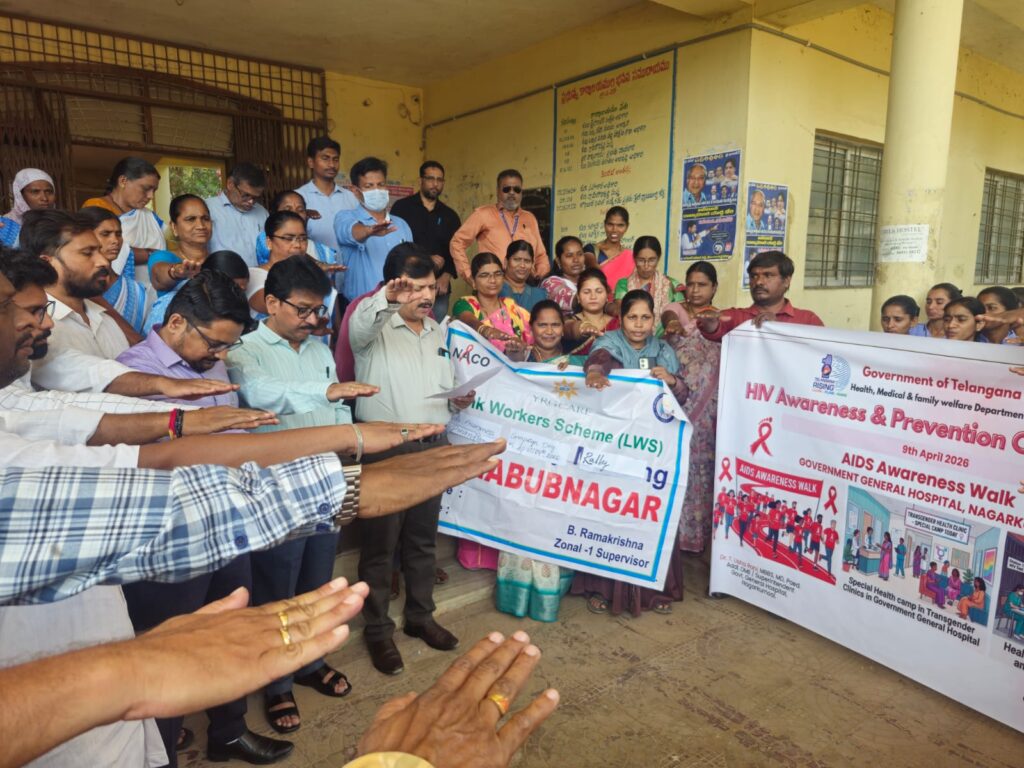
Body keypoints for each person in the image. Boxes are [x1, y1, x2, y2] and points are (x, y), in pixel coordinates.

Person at [226, 254, 378, 732]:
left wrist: (348, 453)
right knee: (278, 588)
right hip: (277, 488)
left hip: (326, 479)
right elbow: (261, 395)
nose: (313, 320)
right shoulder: (244, 351)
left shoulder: (317, 348)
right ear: (271, 302)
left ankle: (311, 662)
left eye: (319, 311)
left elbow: (336, 411)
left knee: (317, 581)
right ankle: (277, 682)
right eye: (304, 310)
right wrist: (328, 393)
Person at [349, 245, 475, 675]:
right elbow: (361, 326)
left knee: (422, 542)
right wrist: (386, 298)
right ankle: (377, 630)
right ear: (394, 286)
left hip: (432, 447)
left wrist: (459, 401)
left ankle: (420, 616)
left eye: (431, 287)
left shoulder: (437, 331)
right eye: (415, 287)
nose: (426, 296)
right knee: (380, 547)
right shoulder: (372, 326)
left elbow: (444, 391)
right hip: (388, 450)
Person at [573, 290, 687, 616]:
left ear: (654, 320)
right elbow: (599, 361)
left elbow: (683, 396)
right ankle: (601, 588)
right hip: (614, 445)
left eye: (645, 318)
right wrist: (594, 373)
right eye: (632, 317)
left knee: (649, 514)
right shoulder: (609, 343)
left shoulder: (663, 350)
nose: (638, 325)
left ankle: (654, 591)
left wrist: (673, 381)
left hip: (651, 449)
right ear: (621, 319)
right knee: (610, 513)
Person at [21, 210, 132, 389]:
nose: (103, 261)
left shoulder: (104, 317)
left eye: (99, 251)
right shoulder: (35, 330)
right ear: (47, 263)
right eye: (87, 253)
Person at [661, 283, 721, 554]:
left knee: (704, 471)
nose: (696, 290)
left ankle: (702, 540)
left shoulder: (719, 322)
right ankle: (676, 536)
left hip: (708, 416)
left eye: (703, 284)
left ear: (714, 287)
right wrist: (672, 324)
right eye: (691, 283)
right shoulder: (675, 312)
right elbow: (669, 316)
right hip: (678, 406)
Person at [334, 156, 413, 303]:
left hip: (398, 305)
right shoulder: (344, 217)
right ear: (355, 191)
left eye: (381, 184)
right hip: (361, 307)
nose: (377, 191)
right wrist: (369, 231)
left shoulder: (401, 224)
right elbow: (353, 232)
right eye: (369, 186)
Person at [390, 160, 462, 319]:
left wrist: (446, 276)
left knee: (435, 327)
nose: (435, 184)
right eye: (430, 179)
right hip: (408, 285)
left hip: (438, 288)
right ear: (420, 180)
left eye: (439, 180)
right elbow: (396, 247)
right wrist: (425, 259)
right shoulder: (402, 208)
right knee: (405, 325)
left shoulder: (450, 216)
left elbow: (456, 251)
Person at [698, 251, 824, 341]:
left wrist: (777, 328)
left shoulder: (808, 320)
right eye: (754, 276)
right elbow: (714, 329)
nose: (758, 282)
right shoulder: (735, 317)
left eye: (768, 275)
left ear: (786, 280)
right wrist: (711, 324)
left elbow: (822, 356)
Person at [450, 169, 549, 282]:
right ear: (497, 191)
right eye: (506, 189)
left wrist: (539, 276)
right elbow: (457, 243)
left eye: (516, 189)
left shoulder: (529, 218)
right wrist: (468, 276)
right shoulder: (483, 214)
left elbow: (541, 255)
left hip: (526, 285)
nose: (512, 193)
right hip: (495, 284)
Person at [82, 157, 165, 281]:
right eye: (145, 188)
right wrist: (155, 255)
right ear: (123, 181)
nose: (150, 196)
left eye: (154, 190)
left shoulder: (150, 216)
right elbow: (94, 248)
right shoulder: (96, 206)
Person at [142, 194, 214, 332]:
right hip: (173, 335)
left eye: (205, 218)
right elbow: (159, 278)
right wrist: (176, 272)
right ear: (174, 227)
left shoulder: (220, 260)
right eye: (190, 219)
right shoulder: (163, 257)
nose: (201, 226)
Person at [79, 205, 149, 339]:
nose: (115, 241)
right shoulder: (74, 287)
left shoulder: (134, 290)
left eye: (118, 234)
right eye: (105, 234)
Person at [452, 252, 532, 357]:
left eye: (498, 274)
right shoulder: (464, 304)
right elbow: (469, 320)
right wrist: (486, 330)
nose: (493, 280)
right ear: (473, 282)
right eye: (484, 275)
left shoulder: (511, 307)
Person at [295, 135, 360, 252]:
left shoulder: (351, 197)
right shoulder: (298, 198)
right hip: (314, 264)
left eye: (335, 159)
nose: (332, 165)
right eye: (325, 158)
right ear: (311, 162)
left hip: (350, 264)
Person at [206, 162, 269, 266]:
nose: (251, 202)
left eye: (255, 197)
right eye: (246, 195)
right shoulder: (208, 209)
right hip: (221, 274)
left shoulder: (262, 212)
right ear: (230, 184)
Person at [613, 235, 679, 332]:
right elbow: (622, 313)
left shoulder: (672, 285)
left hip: (664, 337)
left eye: (652, 260)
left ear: (658, 258)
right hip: (631, 336)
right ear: (634, 258)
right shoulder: (623, 284)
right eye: (641, 260)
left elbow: (680, 313)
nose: (646, 266)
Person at [563, 268, 618, 356]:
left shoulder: (617, 323)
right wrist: (583, 327)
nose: (593, 296)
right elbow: (569, 328)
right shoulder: (569, 321)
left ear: (607, 295)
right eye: (587, 292)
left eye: (599, 291)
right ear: (578, 297)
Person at [0, 168, 55, 247]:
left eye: (49, 192)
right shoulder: (5, 225)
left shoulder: (60, 224)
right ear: (20, 195)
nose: (44, 198)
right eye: (35, 192)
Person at [525, 300, 585, 367]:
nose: (549, 332)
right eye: (542, 325)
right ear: (531, 328)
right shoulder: (522, 357)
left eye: (555, 325)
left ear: (563, 328)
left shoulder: (575, 360)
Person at [585, 206, 633, 285]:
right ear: (604, 224)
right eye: (610, 224)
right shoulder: (591, 249)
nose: (614, 230)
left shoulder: (629, 255)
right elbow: (595, 272)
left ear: (627, 227)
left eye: (620, 225)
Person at [541, 235, 587, 315]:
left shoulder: (589, 280)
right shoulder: (550, 283)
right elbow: (571, 300)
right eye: (569, 255)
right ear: (558, 261)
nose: (576, 260)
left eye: (580, 254)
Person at [499, 240, 547, 311]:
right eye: (517, 260)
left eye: (527, 261)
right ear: (506, 262)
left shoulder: (539, 295)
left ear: (532, 264)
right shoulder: (495, 289)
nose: (522, 265)